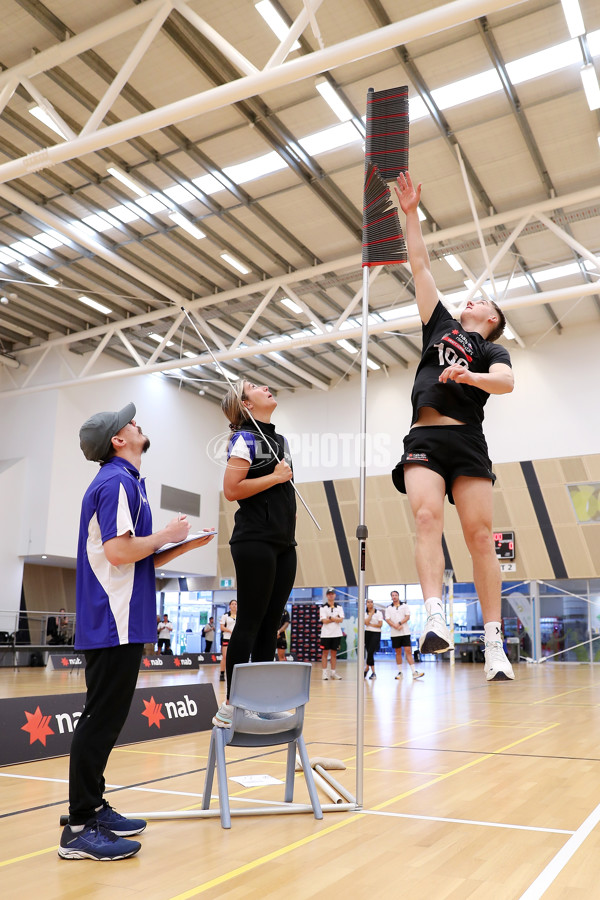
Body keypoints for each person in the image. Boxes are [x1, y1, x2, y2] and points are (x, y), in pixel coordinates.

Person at [59, 401, 214, 861]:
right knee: (99, 719)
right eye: (130, 422)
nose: (137, 422)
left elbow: (135, 557)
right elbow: (119, 552)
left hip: (123, 616)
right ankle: (80, 826)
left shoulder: (127, 484)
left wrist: (179, 546)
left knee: (106, 719)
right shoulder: (115, 482)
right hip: (111, 618)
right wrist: (166, 534)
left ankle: (95, 808)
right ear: (118, 440)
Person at [393, 172, 515, 683]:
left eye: (481, 301)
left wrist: (470, 374)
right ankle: (434, 616)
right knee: (426, 520)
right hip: (424, 435)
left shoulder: (492, 349)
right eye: (470, 297)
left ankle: (493, 643)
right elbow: (419, 263)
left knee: (481, 537)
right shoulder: (438, 324)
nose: (472, 299)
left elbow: (506, 384)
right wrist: (410, 212)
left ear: (492, 318)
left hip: (467, 439)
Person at [212, 380, 296, 727]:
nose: (266, 386)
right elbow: (231, 490)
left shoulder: (280, 441)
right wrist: (275, 478)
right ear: (246, 405)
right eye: (254, 387)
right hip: (254, 540)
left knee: (270, 626)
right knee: (249, 621)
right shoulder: (244, 439)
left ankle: (261, 703)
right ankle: (232, 705)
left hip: (283, 542)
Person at [385, 590, 424, 680]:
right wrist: (395, 626)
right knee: (398, 652)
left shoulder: (405, 606)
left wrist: (399, 623)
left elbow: (407, 617)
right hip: (395, 634)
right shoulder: (388, 608)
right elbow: (387, 619)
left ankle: (414, 672)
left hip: (405, 632)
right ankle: (400, 672)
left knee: (408, 651)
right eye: (393, 595)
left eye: (396, 595)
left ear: (398, 596)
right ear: (391, 597)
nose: (394, 597)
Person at [320, 588, 344, 681]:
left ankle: (333, 673)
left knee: (334, 654)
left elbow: (341, 620)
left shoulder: (339, 607)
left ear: (335, 595)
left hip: (336, 634)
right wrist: (334, 618)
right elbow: (324, 621)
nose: (331, 595)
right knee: (325, 653)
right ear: (327, 595)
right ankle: (324, 673)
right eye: (329, 594)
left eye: (332, 594)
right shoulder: (323, 607)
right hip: (326, 634)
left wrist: (330, 617)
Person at [364, 598, 383, 679]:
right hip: (367, 633)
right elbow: (366, 623)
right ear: (366, 604)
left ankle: (367, 669)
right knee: (369, 652)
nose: (370, 604)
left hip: (376, 633)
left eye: (371, 602)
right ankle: (373, 673)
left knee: (371, 651)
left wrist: (370, 624)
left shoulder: (378, 612)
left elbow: (380, 625)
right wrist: (371, 615)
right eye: (368, 602)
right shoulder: (364, 613)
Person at [219, 600, 237, 682]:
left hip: (236, 639)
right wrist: (230, 631)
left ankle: (234, 674)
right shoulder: (225, 616)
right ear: (229, 606)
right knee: (225, 656)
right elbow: (222, 627)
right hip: (227, 638)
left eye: (235, 604)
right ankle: (222, 673)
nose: (234, 605)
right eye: (232, 604)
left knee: (235, 656)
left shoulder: (239, 616)